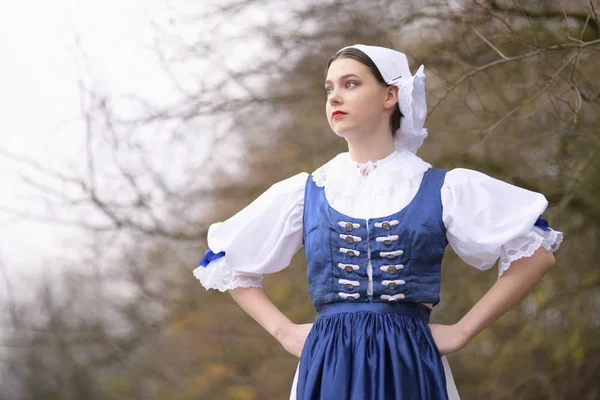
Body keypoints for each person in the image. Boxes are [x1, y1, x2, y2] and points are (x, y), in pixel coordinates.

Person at [193, 44, 563, 400]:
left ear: (390, 96)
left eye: (350, 84)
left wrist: (463, 331)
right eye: (329, 88)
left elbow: (535, 252)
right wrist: (284, 332)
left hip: (410, 360)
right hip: (328, 363)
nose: (334, 97)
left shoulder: (442, 187)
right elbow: (225, 260)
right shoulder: (305, 191)